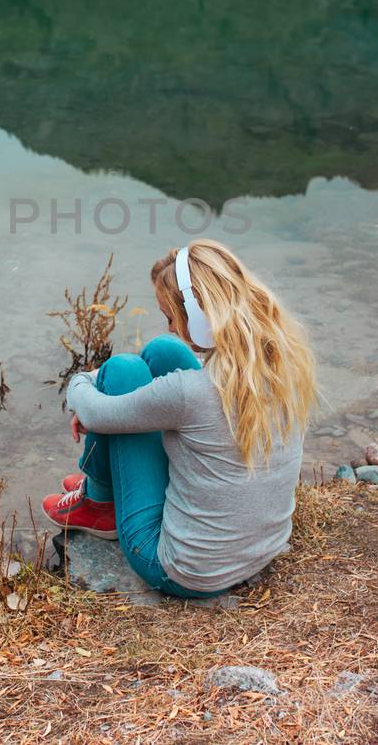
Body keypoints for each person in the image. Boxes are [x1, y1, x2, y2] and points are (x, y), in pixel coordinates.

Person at [43, 239, 317, 597]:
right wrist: (99, 393)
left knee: (123, 369)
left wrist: (83, 383)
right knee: (163, 351)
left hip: (183, 570)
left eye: (172, 316)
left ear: (201, 315)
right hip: (262, 549)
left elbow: (96, 413)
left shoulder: (190, 393)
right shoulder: (285, 366)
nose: (171, 326)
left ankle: (98, 501)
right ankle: (101, 491)